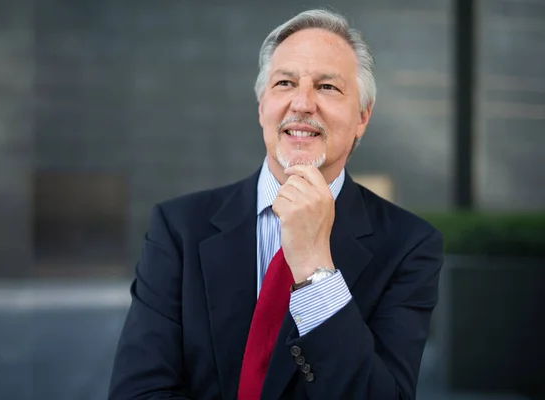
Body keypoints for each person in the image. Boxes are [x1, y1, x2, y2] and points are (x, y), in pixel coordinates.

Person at [109, 8, 443, 400]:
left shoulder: (410, 247)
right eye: (285, 83)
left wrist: (316, 268)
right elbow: (140, 390)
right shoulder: (178, 228)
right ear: (261, 106)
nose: (302, 103)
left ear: (362, 117)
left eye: (327, 87)